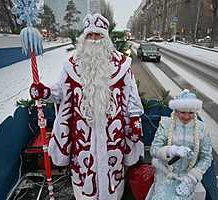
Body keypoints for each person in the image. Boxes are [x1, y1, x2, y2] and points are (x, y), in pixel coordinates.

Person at [29, 13, 144, 200]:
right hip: (83, 138)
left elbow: (132, 97)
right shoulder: (71, 66)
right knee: (84, 181)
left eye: (98, 35)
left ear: (106, 38)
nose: (94, 39)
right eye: (90, 35)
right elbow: (60, 92)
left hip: (113, 138)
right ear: (84, 38)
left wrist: (135, 120)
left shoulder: (122, 65)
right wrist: (44, 92)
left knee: (112, 177)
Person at [146, 89, 213, 200]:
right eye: (182, 112)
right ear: (176, 110)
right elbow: (154, 150)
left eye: (191, 112)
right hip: (165, 173)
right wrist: (172, 150)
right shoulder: (166, 124)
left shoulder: (201, 128)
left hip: (188, 178)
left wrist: (192, 178)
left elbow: (206, 157)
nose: (186, 117)